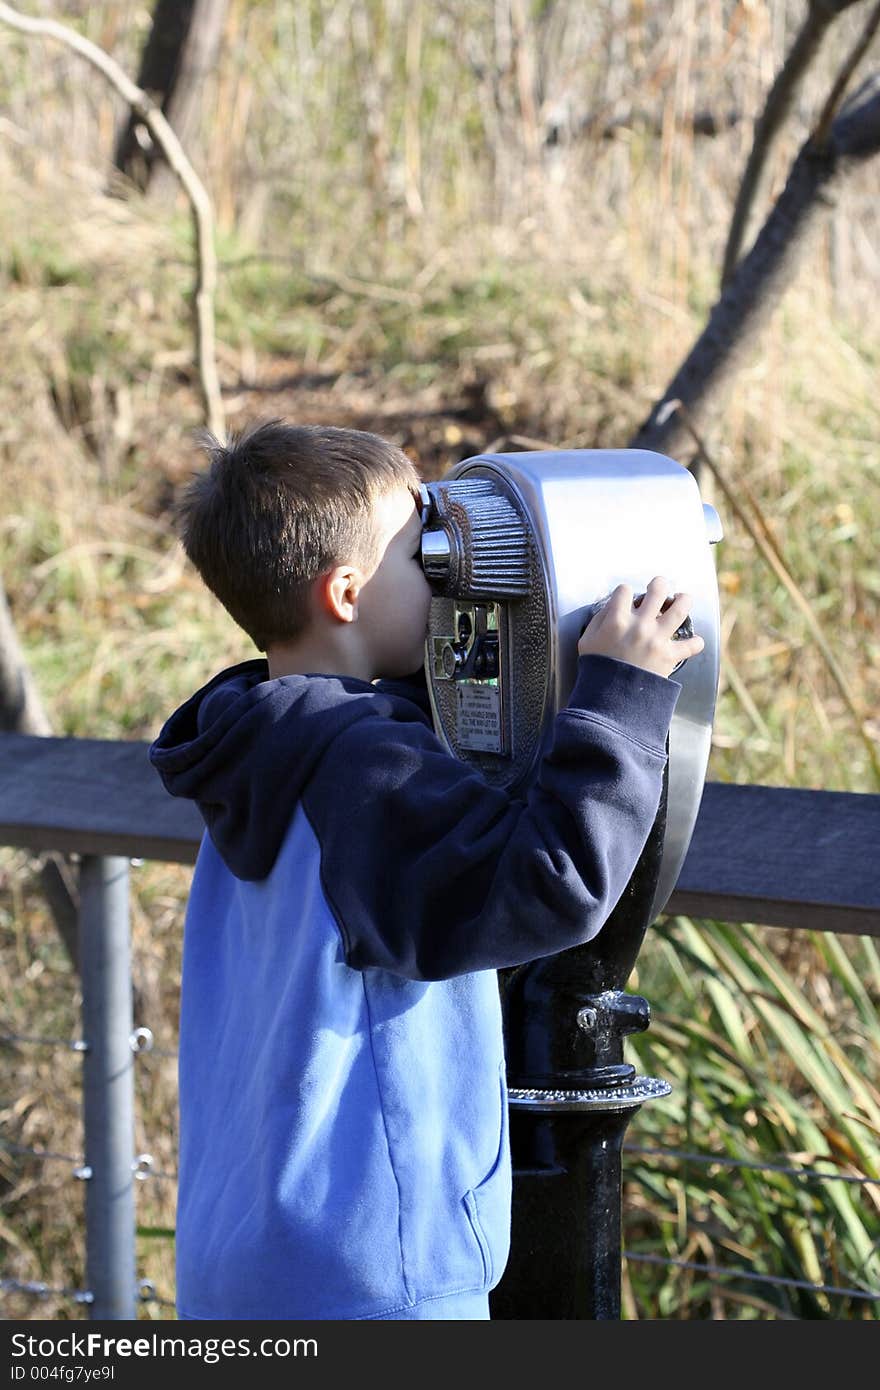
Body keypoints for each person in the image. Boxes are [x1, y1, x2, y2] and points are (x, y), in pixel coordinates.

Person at [149, 418, 704, 1322]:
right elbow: (549, 883)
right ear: (346, 590)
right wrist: (620, 694)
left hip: (245, 1261)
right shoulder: (361, 770)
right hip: (375, 1272)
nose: (450, 577)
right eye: (424, 557)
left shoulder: (261, 746)